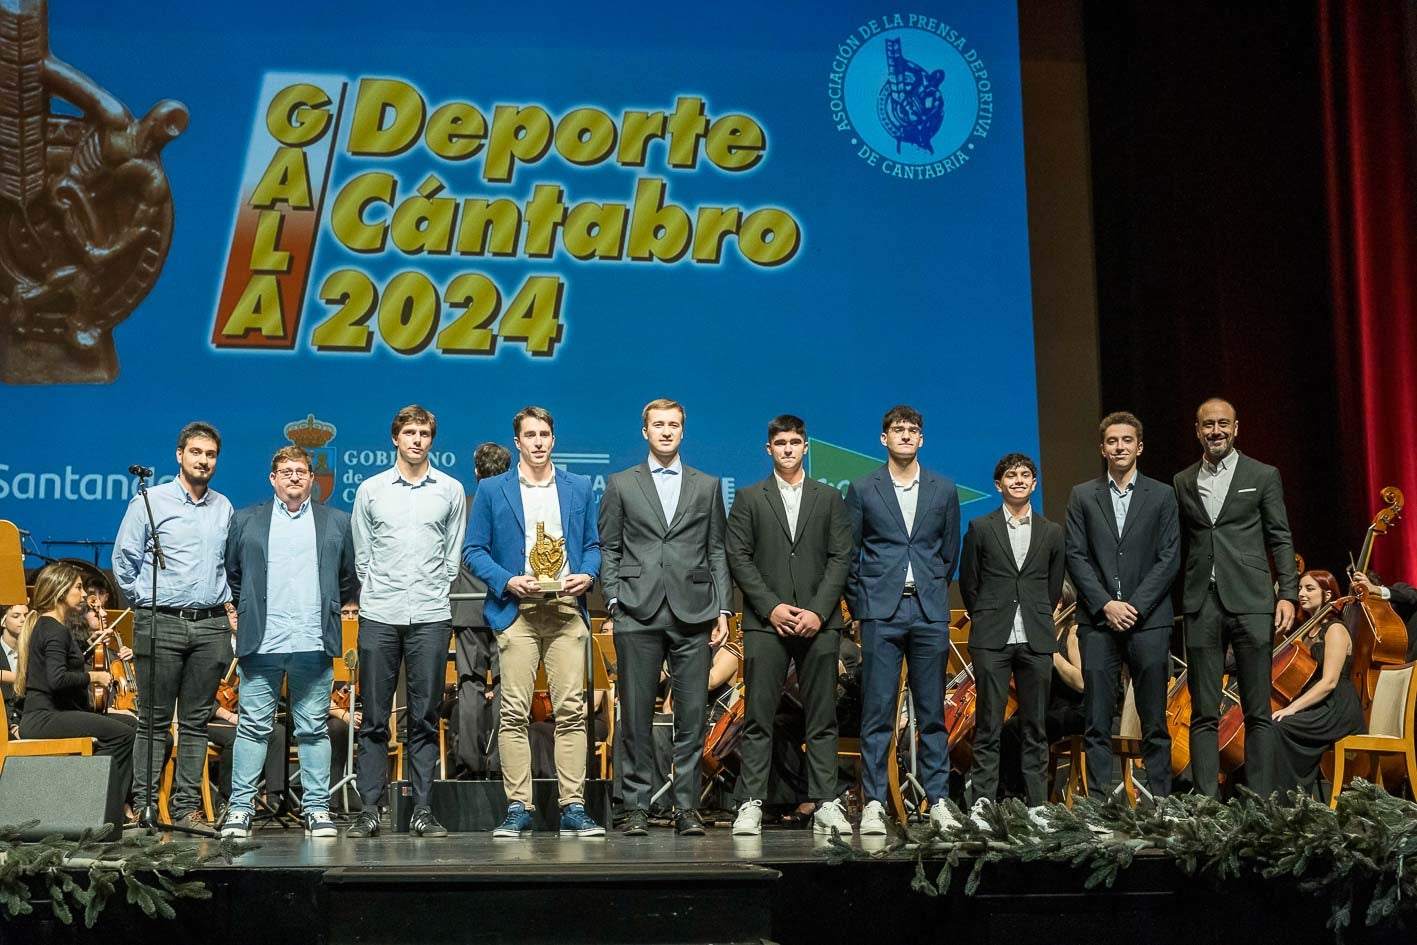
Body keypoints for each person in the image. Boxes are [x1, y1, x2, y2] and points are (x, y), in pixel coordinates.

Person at [464, 406, 605, 838]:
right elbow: (473, 552)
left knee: (571, 713)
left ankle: (574, 808)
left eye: (545, 433)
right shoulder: (492, 490)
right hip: (517, 612)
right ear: (518, 442)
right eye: (531, 435)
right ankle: (518, 807)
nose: (539, 441)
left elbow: (594, 546)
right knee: (512, 713)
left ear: (553, 439)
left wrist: (588, 573)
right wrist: (508, 581)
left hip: (566, 611)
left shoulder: (579, 487)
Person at [599, 398, 731, 837]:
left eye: (674, 425)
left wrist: (723, 608)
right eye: (659, 425)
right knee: (635, 715)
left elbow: (716, 550)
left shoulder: (707, 485)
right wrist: (614, 600)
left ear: (683, 431)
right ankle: (635, 805)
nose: (667, 432)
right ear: (645, 432)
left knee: (691, 715)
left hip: (693, 610)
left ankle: (686, 806)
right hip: (637, 609)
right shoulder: (621, 483)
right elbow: (610, 547)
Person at [219, 446, 359, 839]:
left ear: (312, 480)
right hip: (261, 640)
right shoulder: (246, 520)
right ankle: (240, 809)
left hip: (314, 640)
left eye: (301, 471)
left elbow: (347, 578)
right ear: (273, 478)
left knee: (313, 728)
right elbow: (233, 573)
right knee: (252, 728)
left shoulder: (337, 522)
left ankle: (316, 809)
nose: (294, 477)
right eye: (285, 471)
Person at [725, 415, 853, 836]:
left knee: (822, 719)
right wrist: (771, 607)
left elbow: (840, 558)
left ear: (806, 446)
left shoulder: (830, 498)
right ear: (769, 449)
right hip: (767, 624)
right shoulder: (748, 497)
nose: (788, 449)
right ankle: (750, 803)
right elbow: (738, 558)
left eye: (795, 442)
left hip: (820, 622)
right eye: (780, 443)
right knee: (759, 718)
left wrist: (818, 610)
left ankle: (826, 803)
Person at [348, 405, 466, 838]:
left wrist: (430, 589)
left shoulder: (450, 490)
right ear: (394, 438)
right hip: (380, 614)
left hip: (431, 615)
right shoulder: (372, 489)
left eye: (424, 433)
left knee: (425, 717)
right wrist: (380, 591)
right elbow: (362, 556)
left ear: (432, 440)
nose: (417, 440)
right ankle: (370, 810)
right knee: (375, 718)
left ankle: (422, 810)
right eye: (409, 432)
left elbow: (452, 557)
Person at [111, 421, 234, 828]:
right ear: (179, 455)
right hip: (160, 620)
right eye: (196, 452)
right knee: (153, 721)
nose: (203, 460)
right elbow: (123, 563)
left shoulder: (224, 507)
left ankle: (185, 809)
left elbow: (228, 567)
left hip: (211, 625)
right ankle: (145, 807)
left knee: (197, 721)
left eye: (210, 454)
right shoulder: (151, 501)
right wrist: (147, 604)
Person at [846, 405, 961, 836]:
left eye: (913, 430)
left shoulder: (944, 489)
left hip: (929, 609)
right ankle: (874, 801)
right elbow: (850, 554)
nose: (906, 436)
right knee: (877, 711)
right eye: (898, 430)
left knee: (932, 712)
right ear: (884, 439)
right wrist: (863, 605)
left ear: (922, 439)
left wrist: (931, 587)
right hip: (881, 611)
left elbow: (948, 554)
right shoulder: (862, 489)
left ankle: (939, 801)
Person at [1174, 398, 1296, 798]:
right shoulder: (1183, 480)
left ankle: (1261, 802)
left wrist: (1288, 594)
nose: (1215, 431)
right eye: (1207, 425)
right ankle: (1206, 806)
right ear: (1197, 431)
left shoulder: (1262, 474)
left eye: (1222, 424)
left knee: (1258, 710)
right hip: (1201, 604)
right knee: (1204, 712)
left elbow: (1279, 536)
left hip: (1252, 601)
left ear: (1236, 427)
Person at [1064, 411, 1180, 798]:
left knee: (1154, 720)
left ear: (1139, 446)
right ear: (1102, 448)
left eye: (1127, 440)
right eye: (1112, 441)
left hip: (1149, 621)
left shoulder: (1163, 494)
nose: (1120, 447)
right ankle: (1098, 804)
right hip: (1098, 623)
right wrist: (1106, 606)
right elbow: (1075, 556)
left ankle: (1161, 801)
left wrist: (1134, 606)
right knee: (1097, 719)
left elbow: (1169, 558)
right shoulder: (1082, 494)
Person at [958, 453, 1065, 823]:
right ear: (998, 484)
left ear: (1034, 484)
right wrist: (987, 614)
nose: (1017, 480)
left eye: (1024, 475)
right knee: (988, 723)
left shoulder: (1051, 531)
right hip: (992, 636)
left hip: (1035, 636)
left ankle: (1037, 804)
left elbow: (1053, 587)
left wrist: (1037, 613)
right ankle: (983, 803)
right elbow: (969, 583)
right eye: (1010, 475)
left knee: (1035, 725)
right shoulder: (980, 527)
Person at [14, 562, 135, 820]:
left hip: (50, 714)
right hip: (44, 717)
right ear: (60, 591)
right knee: (122, 735)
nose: (83, 595)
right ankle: (100, 809)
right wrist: (94, 675)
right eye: (78, 588)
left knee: (129, 725)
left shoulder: (51, 627)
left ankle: (112, 805)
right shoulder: (54, 629)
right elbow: (56, 679)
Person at [1273, 570, 1365, 796]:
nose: (1301, 594)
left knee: (1280, 726)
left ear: (1327, 595)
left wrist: (1292, 708)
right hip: (1317, 705)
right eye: (1300, 588)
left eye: (1309, 588)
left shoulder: (1335, 629)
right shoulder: (1305, 632)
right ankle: (1278, 796)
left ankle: (1290, 800)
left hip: (1337, 708)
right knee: (1266, 726)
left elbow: (1329, 682)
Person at [452, 442, 512, 779]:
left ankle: (469, 767)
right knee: (506, 684)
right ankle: (502, 765)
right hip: (505, 605)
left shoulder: (462, 508)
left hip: (467, 607)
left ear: (476, 471)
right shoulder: (514, 509)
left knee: (469, 684)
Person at [1001, 580, 1085, 800]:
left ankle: (1017, 796)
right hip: (1047, 706)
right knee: (1006, 726)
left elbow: (1081, 682)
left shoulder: (1072, 632)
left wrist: (1052, 653)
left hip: (1073, 709)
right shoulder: (1040, 634)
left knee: (1018, 729)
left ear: (1058, 603)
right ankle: (1007, 795)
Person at [1, 602, 29, 735]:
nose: (23, 620)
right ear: (3, 622)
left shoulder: (34, 651)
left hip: (29, 719)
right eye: (16, 616)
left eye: (26, 615)